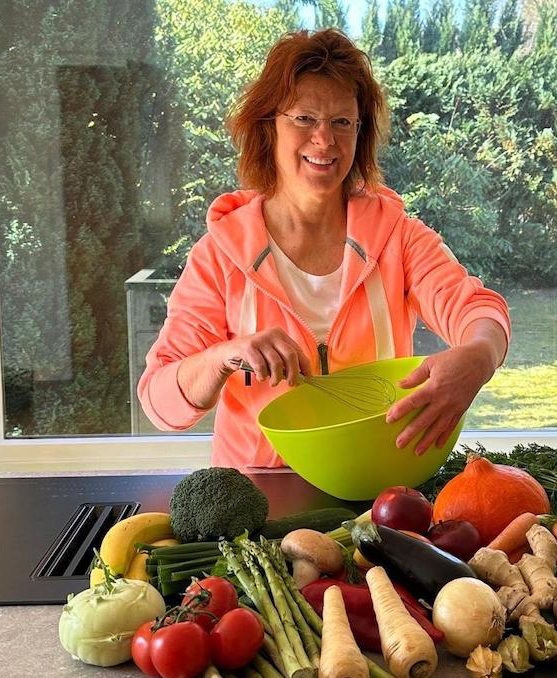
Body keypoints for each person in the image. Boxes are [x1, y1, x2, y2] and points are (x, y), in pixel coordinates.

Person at [138, 28, 511, 470]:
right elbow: (160, 402)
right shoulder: (218, 255)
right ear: (268, 126)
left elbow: (476, 309)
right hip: (258, 493)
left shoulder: (399, 237)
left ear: (360, 133)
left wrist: (479, 356)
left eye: (341, 122)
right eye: (304, 118)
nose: (324, 140)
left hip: (378, 481)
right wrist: (222, 357)